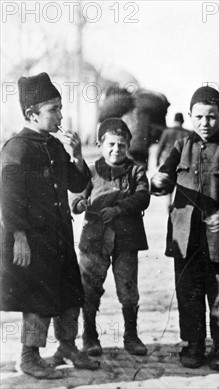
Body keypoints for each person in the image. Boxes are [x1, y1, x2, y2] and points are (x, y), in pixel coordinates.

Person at [0, 72, 99, 379]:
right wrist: (18, 236)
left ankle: (67, 346)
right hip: (31, 238)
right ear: (32, 114)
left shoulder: (54, 146)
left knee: (70, 289)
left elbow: (78, 182)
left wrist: (77, 156)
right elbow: (8, 197)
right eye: (53, 109)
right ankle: (29, 357)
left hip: (59, 236)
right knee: (37, 297)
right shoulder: (16, 148)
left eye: (60, 107)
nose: (60, 115)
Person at [151, 86, 219, 370]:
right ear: (191, 118)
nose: (205, 123)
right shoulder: (181, 146)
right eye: (200, 117)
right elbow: (167, 175)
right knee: (188, 291)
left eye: (212, 117)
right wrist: (159, 183)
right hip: (185, 236)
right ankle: (193, 343)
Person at [70, 118, 150, 357]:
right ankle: (90, 335)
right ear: (100, 144)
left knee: (128, 288)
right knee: (89, 288)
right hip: (94, 240)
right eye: (111, 144)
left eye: (122, 145)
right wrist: (80, 203)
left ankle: (131, 335)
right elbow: (75, 195)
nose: (117, 150)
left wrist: (119, 209)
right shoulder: (91, 171)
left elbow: (143, 196)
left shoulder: (136, 170)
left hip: (126, 240)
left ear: (129, 146)